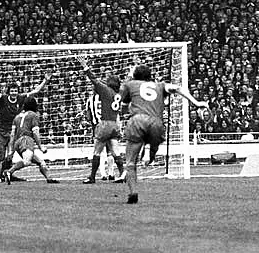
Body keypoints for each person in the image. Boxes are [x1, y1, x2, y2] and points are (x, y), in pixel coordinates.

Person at [120, 64, 209, 204]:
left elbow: (121, 101)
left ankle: (133, 192)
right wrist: (196, 103)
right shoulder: (160, 85)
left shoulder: (130, 84)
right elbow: (178, 88)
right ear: (150, 76)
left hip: (137, 121)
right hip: (156, 122)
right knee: (154, 140)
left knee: (130, 162)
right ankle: (151, 152)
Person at [0, 70, 52, 175]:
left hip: (14, 131)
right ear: (9, 92)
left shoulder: (21, 98)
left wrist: (45, 81)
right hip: (2, 130)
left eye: (15, 91)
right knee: (1, 155)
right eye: (12, 91)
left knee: (10, 155)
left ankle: (6, 174)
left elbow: (35, 92)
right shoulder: (3, 99)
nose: (14, 93)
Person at [76, 57, 125, 184]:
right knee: (114, 150)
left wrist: (85, 66)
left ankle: (92, 177)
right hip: (115, 124)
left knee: (97, 151)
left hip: (105, 124)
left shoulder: (106, 90)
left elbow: (94, 80)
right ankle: (123, 173)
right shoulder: (118, 94)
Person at [2, 97, 59, 184]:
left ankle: (49, 178)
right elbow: (35, 132)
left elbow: (12, 135)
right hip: (26, 140)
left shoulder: (17, 117)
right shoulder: (33, 115)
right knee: (27, 161)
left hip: (18, 142)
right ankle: (9, 172)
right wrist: (41, 147)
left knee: (40, 162)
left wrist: (11, 151)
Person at [83, 88, 124, 183]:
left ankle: (96, 176)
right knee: (113, 151)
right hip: (111, 126)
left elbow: (88, 116)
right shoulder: (109, 98)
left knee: (98, 152)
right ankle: (117, 174)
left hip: (99, 128)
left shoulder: (90, 100)